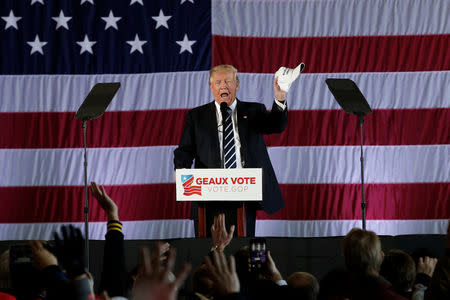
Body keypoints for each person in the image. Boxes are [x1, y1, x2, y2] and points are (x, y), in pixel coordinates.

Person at [174, 64, 289, 236]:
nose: (223, 86)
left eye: (228, 81)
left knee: (242, 247)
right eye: (218, 82)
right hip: (208, 193)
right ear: (211, 87)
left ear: (237, 84)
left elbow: (277, 125)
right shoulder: (197, 116)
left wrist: (280, 98)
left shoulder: (254, 110)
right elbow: (185, 150)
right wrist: (181, 169)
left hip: (244, 192)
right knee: (206, 249)